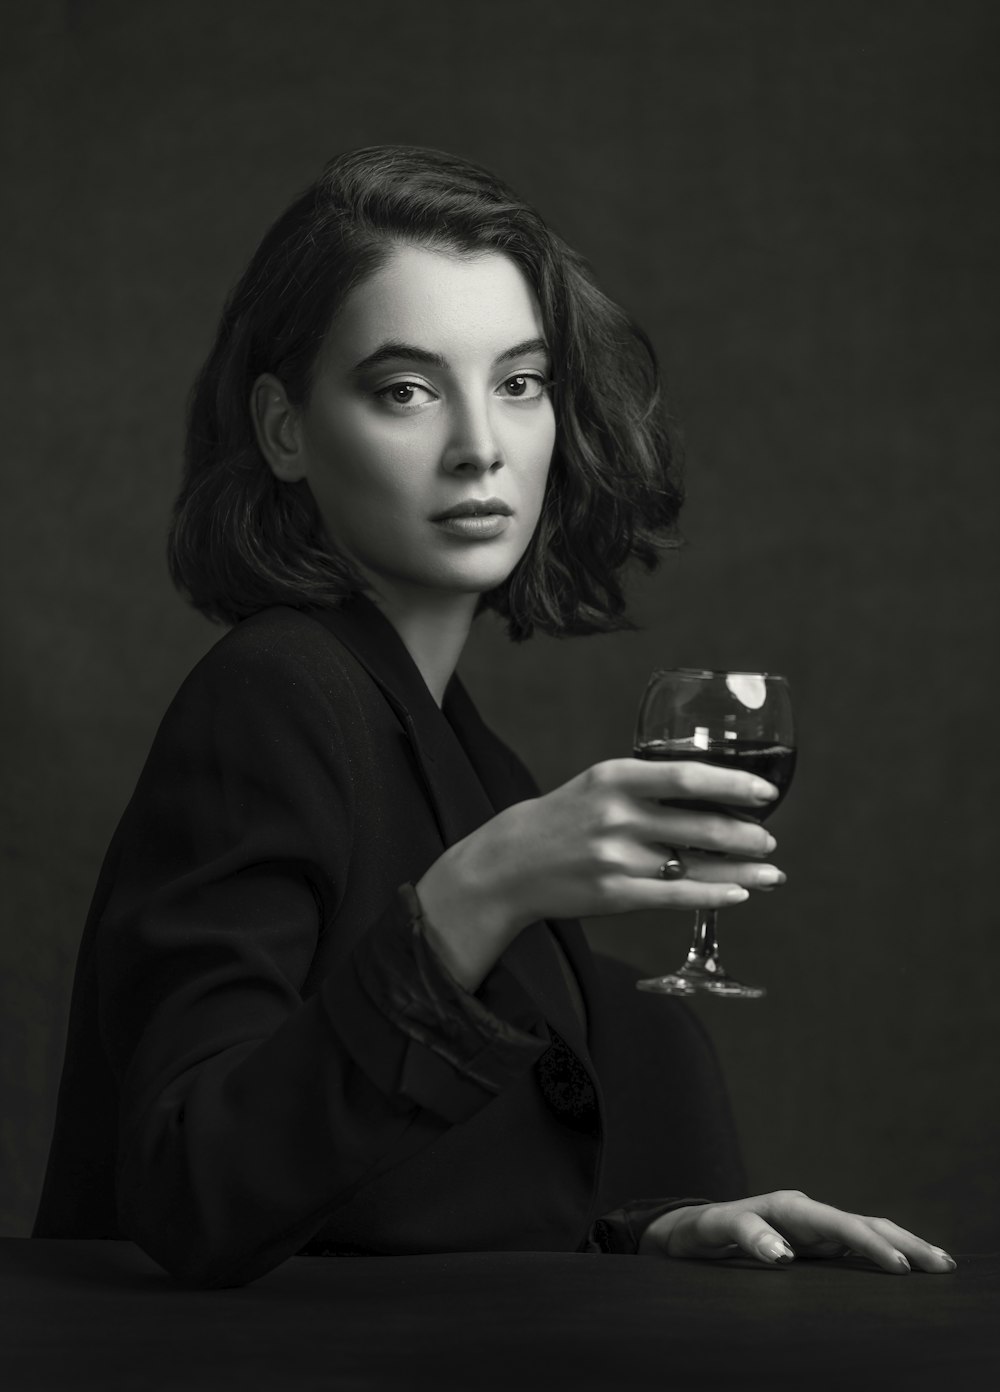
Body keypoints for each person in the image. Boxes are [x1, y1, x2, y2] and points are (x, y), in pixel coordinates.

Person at [33, 145, 954, 1288]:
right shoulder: (273, 693)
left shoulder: (451, 736)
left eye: (518, 382)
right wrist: (487, 884)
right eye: (405, 390)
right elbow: (191, 1183)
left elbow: (396, 1190)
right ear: (283, 429)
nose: (481, 443)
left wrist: (647, 1226)